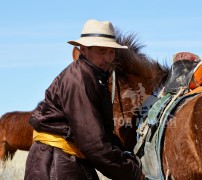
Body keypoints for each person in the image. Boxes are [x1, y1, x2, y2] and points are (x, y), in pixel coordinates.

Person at [24, 19, 144, 180]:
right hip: (55, 163)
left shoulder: (94, 77)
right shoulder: (79, 79)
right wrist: (135, 175)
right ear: (83, 50)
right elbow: (93, 144)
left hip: (65, 159)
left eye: (111, 52)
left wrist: (125, 157)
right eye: (102, 51)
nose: (108, 58)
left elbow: (100, 133)